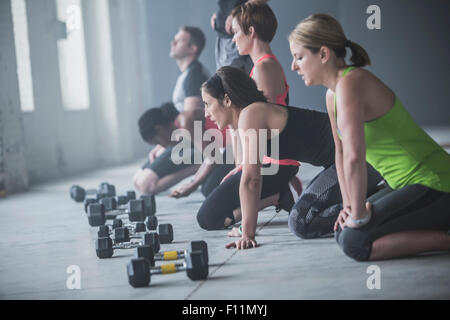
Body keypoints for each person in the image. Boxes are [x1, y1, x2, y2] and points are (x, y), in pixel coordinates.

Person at [288, 13, 450, 261]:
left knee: (355, 241)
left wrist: (359, 214)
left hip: (434, 182)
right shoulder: (332, 95)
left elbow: (355, 156)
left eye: (299, 57)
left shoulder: (351, 83)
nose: (294, 66)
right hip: (405, 185)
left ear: (323, 54)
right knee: (343, 232)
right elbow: (340, 155)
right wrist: (350, 205)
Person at [197, 66, 382, 250]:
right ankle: (371, 195)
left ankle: (377, 202)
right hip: (344, 165)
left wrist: (247, 233)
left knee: (301, 221)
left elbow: (251, 180)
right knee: (304, 213)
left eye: (207, 103)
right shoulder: (251, 114)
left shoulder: (250, 114)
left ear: (227, 100)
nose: (206, 112)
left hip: (361, 161)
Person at [134, 26, 230, 196]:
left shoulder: (194, 76)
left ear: (192, 48)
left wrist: (168, 147)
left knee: (145, 185)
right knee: (138, 179)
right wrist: (162, 145)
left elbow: (192, 123)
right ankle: (203, 162)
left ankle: (202, 163)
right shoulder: (187, 75)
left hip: (195, 143)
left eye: (178, 41)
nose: (172, 42)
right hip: (185, 139)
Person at [134, 102, 234, 198]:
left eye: (158, 142)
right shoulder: (182, 129)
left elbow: (213, 158)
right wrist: (193, 182)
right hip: (229, 148)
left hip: (237, 145)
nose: (163, 147)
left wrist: (193, 185)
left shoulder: (185, 122)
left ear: (159, 129)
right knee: (207, 188)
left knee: (209, 189)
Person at [211, 0, 254, 73]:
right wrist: (219, 15)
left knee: (231, 80)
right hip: (222, 36)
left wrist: (237, 12)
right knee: (224, 79)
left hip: (236, 35)